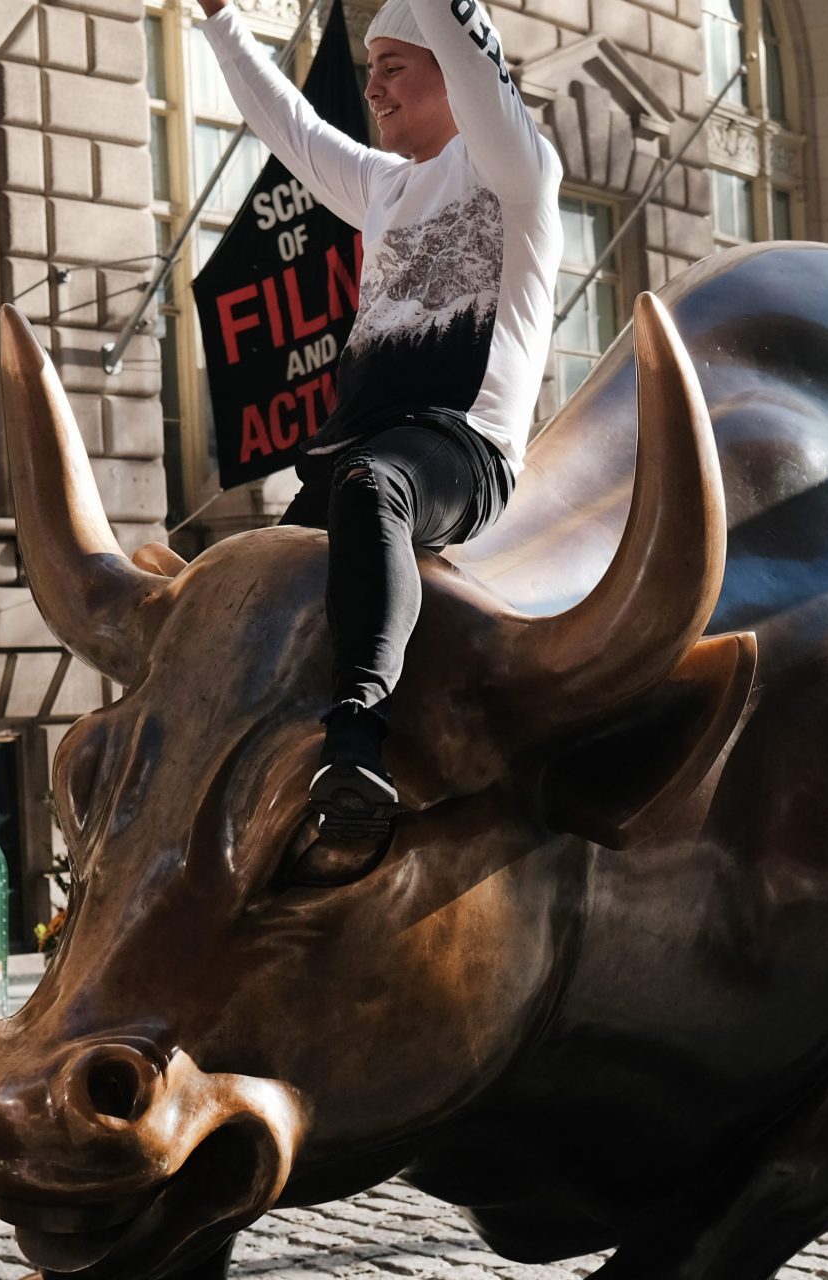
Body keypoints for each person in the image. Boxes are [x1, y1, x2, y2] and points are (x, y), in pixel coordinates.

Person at [199, 0, 561, 840]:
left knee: (374, 485)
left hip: (457, 451)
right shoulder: (383, 186)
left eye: (394, 66)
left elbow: (477, 63)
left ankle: (358, 737)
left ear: (455, 75)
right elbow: (283, 121)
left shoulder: (514, 167)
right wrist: (218, 17)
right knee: (239, 584)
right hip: (349, 453)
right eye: (370, 69)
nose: (373, 88)